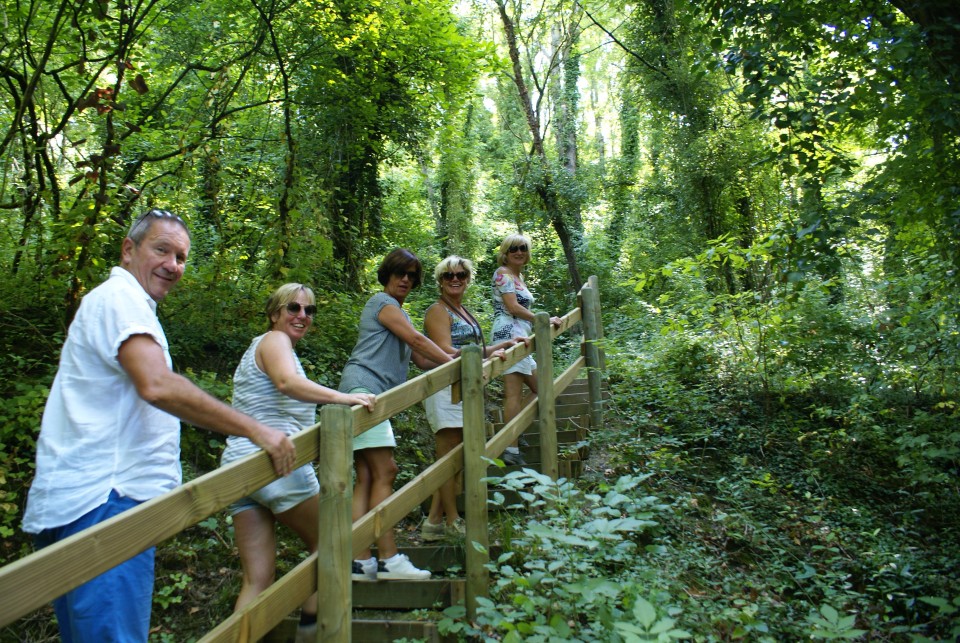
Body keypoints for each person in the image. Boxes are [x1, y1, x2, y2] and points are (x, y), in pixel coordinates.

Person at [21, 208, 297, 643]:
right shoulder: (120, 299)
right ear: (129, 250)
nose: (173, 264)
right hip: (104, 506)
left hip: (81, 503)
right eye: (162, 249)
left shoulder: (117, 304)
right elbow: (157, 385)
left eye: (182, 257)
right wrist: (256, 429)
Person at [220, 283, 376, 642]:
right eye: (293, 308)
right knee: (336, 543)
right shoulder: (275, 342)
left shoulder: (261, 349)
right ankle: (312, 629)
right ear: (275, 313)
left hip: (242, 470)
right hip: (277, 466)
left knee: (257, 579)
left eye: (309, 310)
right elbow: (286, 383)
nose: (302, 316)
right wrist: (342, 397)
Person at [339, 248, 455, 581]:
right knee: (385, 470)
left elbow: (420, 359)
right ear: (386, 274)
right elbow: (418, 341)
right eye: (399, 273)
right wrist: (453, 364)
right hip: (364, 392)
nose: (405, 280)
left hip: (369, 394)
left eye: (412, 276)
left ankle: (361, 561)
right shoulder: (382, 304)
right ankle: (389, 559)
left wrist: (463, 359)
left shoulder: (398, 311)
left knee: (368, 475)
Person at [420, 255, 522, 542]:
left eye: (461, 275)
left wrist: (504, 344)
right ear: (440, 280)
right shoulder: (438, 311)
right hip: (445, 389)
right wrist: (478, 356)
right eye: (449, 275)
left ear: (468, 279)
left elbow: (474, 349)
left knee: (459, 458)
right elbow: (444, 350)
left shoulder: (463, 310)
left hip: (466, 387)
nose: (455, 279)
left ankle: (433, 521)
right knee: (450, 457)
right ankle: (453, 520)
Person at [491, 233, 562, 466]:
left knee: (541, 386)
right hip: (509, 334)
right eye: (513, 249)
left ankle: (512, 433)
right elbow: (512, 307)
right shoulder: (503, 274)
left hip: (521, 335)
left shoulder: (517, 276)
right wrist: (543, 320)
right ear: (505, 253)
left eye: (522, 248)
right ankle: (510, 448)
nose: (519, 252)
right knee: (513, 393)